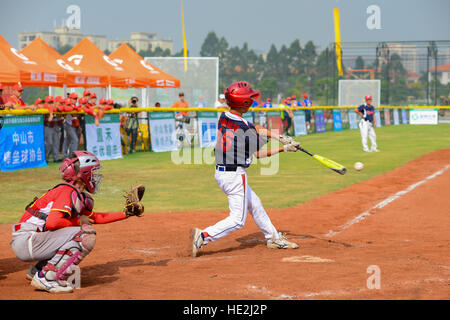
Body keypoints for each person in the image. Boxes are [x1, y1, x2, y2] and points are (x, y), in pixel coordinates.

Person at [191, 81, 300, 257]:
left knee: (255, 204)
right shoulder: (245, 127)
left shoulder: (225, 116)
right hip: (235, 175)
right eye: (249, 98)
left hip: (222, 172)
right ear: (244, 103)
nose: (251, 101)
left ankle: (273, 238)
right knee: (237, 220)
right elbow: (259, 154)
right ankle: (203, 236)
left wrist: (278, 136)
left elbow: (255, 128)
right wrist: (284, 148)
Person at [10, 151, 143, 293]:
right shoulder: (67, 191)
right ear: (82, 174)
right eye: (93, 172)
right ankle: (47, 277)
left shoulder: (74, 193)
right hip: (28, 241)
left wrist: (126, 214)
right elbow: (52, 223)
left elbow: (96, 217)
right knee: (86, 234)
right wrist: (78, 221)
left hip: (30, 240)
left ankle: (39, 270)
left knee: (79, 229)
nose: (95, 176)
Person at [43, 96, 62, 163]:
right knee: (49, 143)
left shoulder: (54, 107)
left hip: (54, 126)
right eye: (49, 102)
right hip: (47, 126)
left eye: (52, 102)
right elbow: (49, 107)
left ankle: (56, 158)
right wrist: (51, 113)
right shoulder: (45, 106)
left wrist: (56, 107)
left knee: (56, 143)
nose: (51, 103)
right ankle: (46, 158)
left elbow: (60, 109)